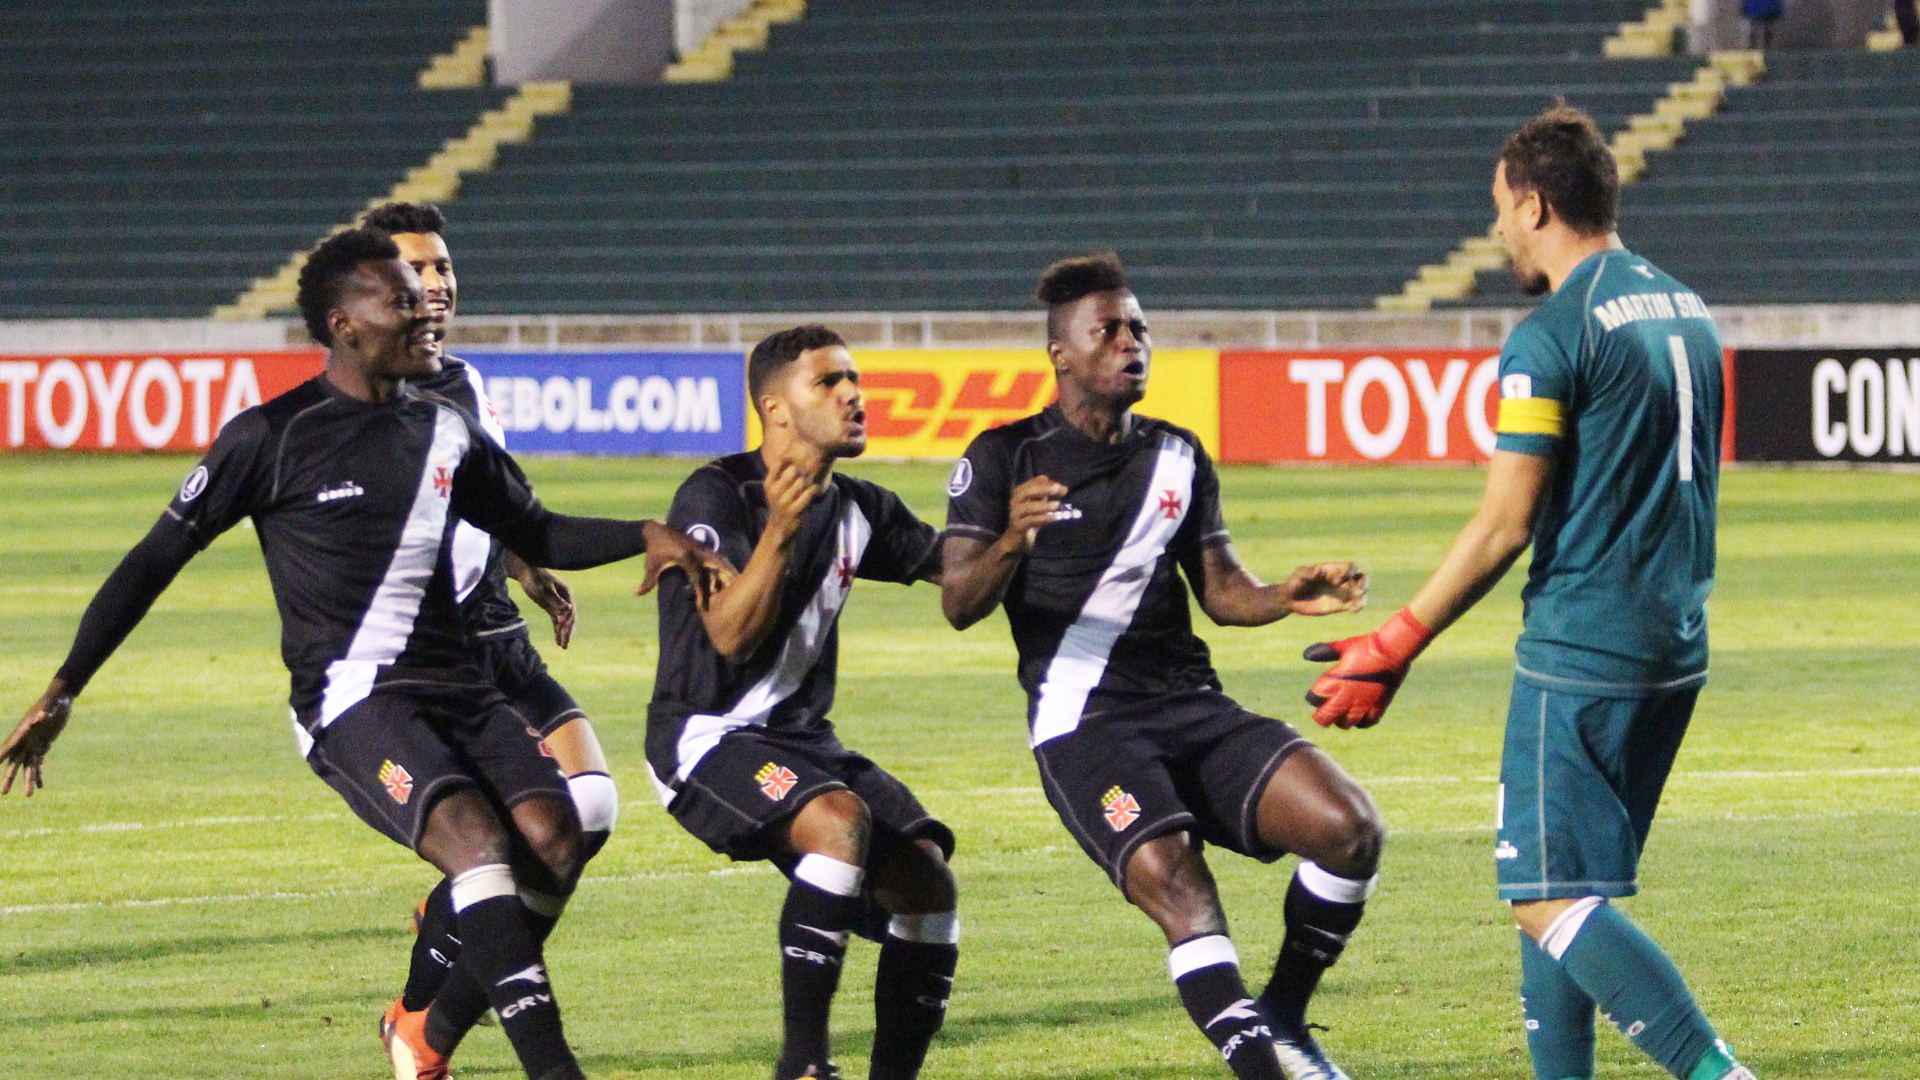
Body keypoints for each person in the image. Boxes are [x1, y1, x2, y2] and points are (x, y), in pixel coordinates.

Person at [0, 229, 730, 1080]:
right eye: (401, 299)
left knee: (559, 837)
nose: (424, 310)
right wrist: (62, 689)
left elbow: (535, 531)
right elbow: (151, 563)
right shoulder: (269, 437)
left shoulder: (449, 429)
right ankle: (553, 1067)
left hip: (461, 684)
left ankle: (421, 1034)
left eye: (422, 296)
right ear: (344, 324)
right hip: (351, 700)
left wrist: (646, 535)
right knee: (474, 841)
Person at [1302, 105, 1757, 1080]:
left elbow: (1505, 522)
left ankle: (1718, 1073)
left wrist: (1395, 640)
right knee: (1557, 886)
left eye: (1501, 210)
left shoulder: (1552, 335)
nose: (1498, 231)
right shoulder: (1685, 305)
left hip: (1581, 651)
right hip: (1673, 645)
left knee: (1545, 898)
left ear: (1537, 204)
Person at [941, 252, 1377, 1080]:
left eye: (1138, 327)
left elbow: (1220, 591)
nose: (1130, 342)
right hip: (1085, 723)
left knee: (1350, 830)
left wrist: (1284, 594)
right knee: (1180, 883)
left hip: (1192, 705)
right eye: (1107, 330)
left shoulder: (1179, 455)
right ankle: (1267, 1071)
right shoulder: (1002, 458)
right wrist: (1009, 540)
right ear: (1061, 354)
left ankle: (1283, 1018)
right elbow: (959, 602)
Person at [647, 326, 959, 1080]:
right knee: (838, 823)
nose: (855, 394)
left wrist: (1018, 538)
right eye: (830, 382)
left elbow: (961, 573)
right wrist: (780, 532)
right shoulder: (717, 494)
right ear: (775, 409)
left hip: (800, 741)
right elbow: (726, 636)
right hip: (705, 737)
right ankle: (804, 1065)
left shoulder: (859, 508)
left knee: (926, 882)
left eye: (854, 378)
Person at [357, 201, 622, 1077]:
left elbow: (484, 500)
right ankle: (426, 1030)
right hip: (439, 655)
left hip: (496, 630)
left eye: (442, 267)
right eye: (414, 271)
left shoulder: (463, 382)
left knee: (591, 811)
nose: (434, 284)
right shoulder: (364, 409)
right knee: (526, 844)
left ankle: (442, 947)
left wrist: (522, 559)